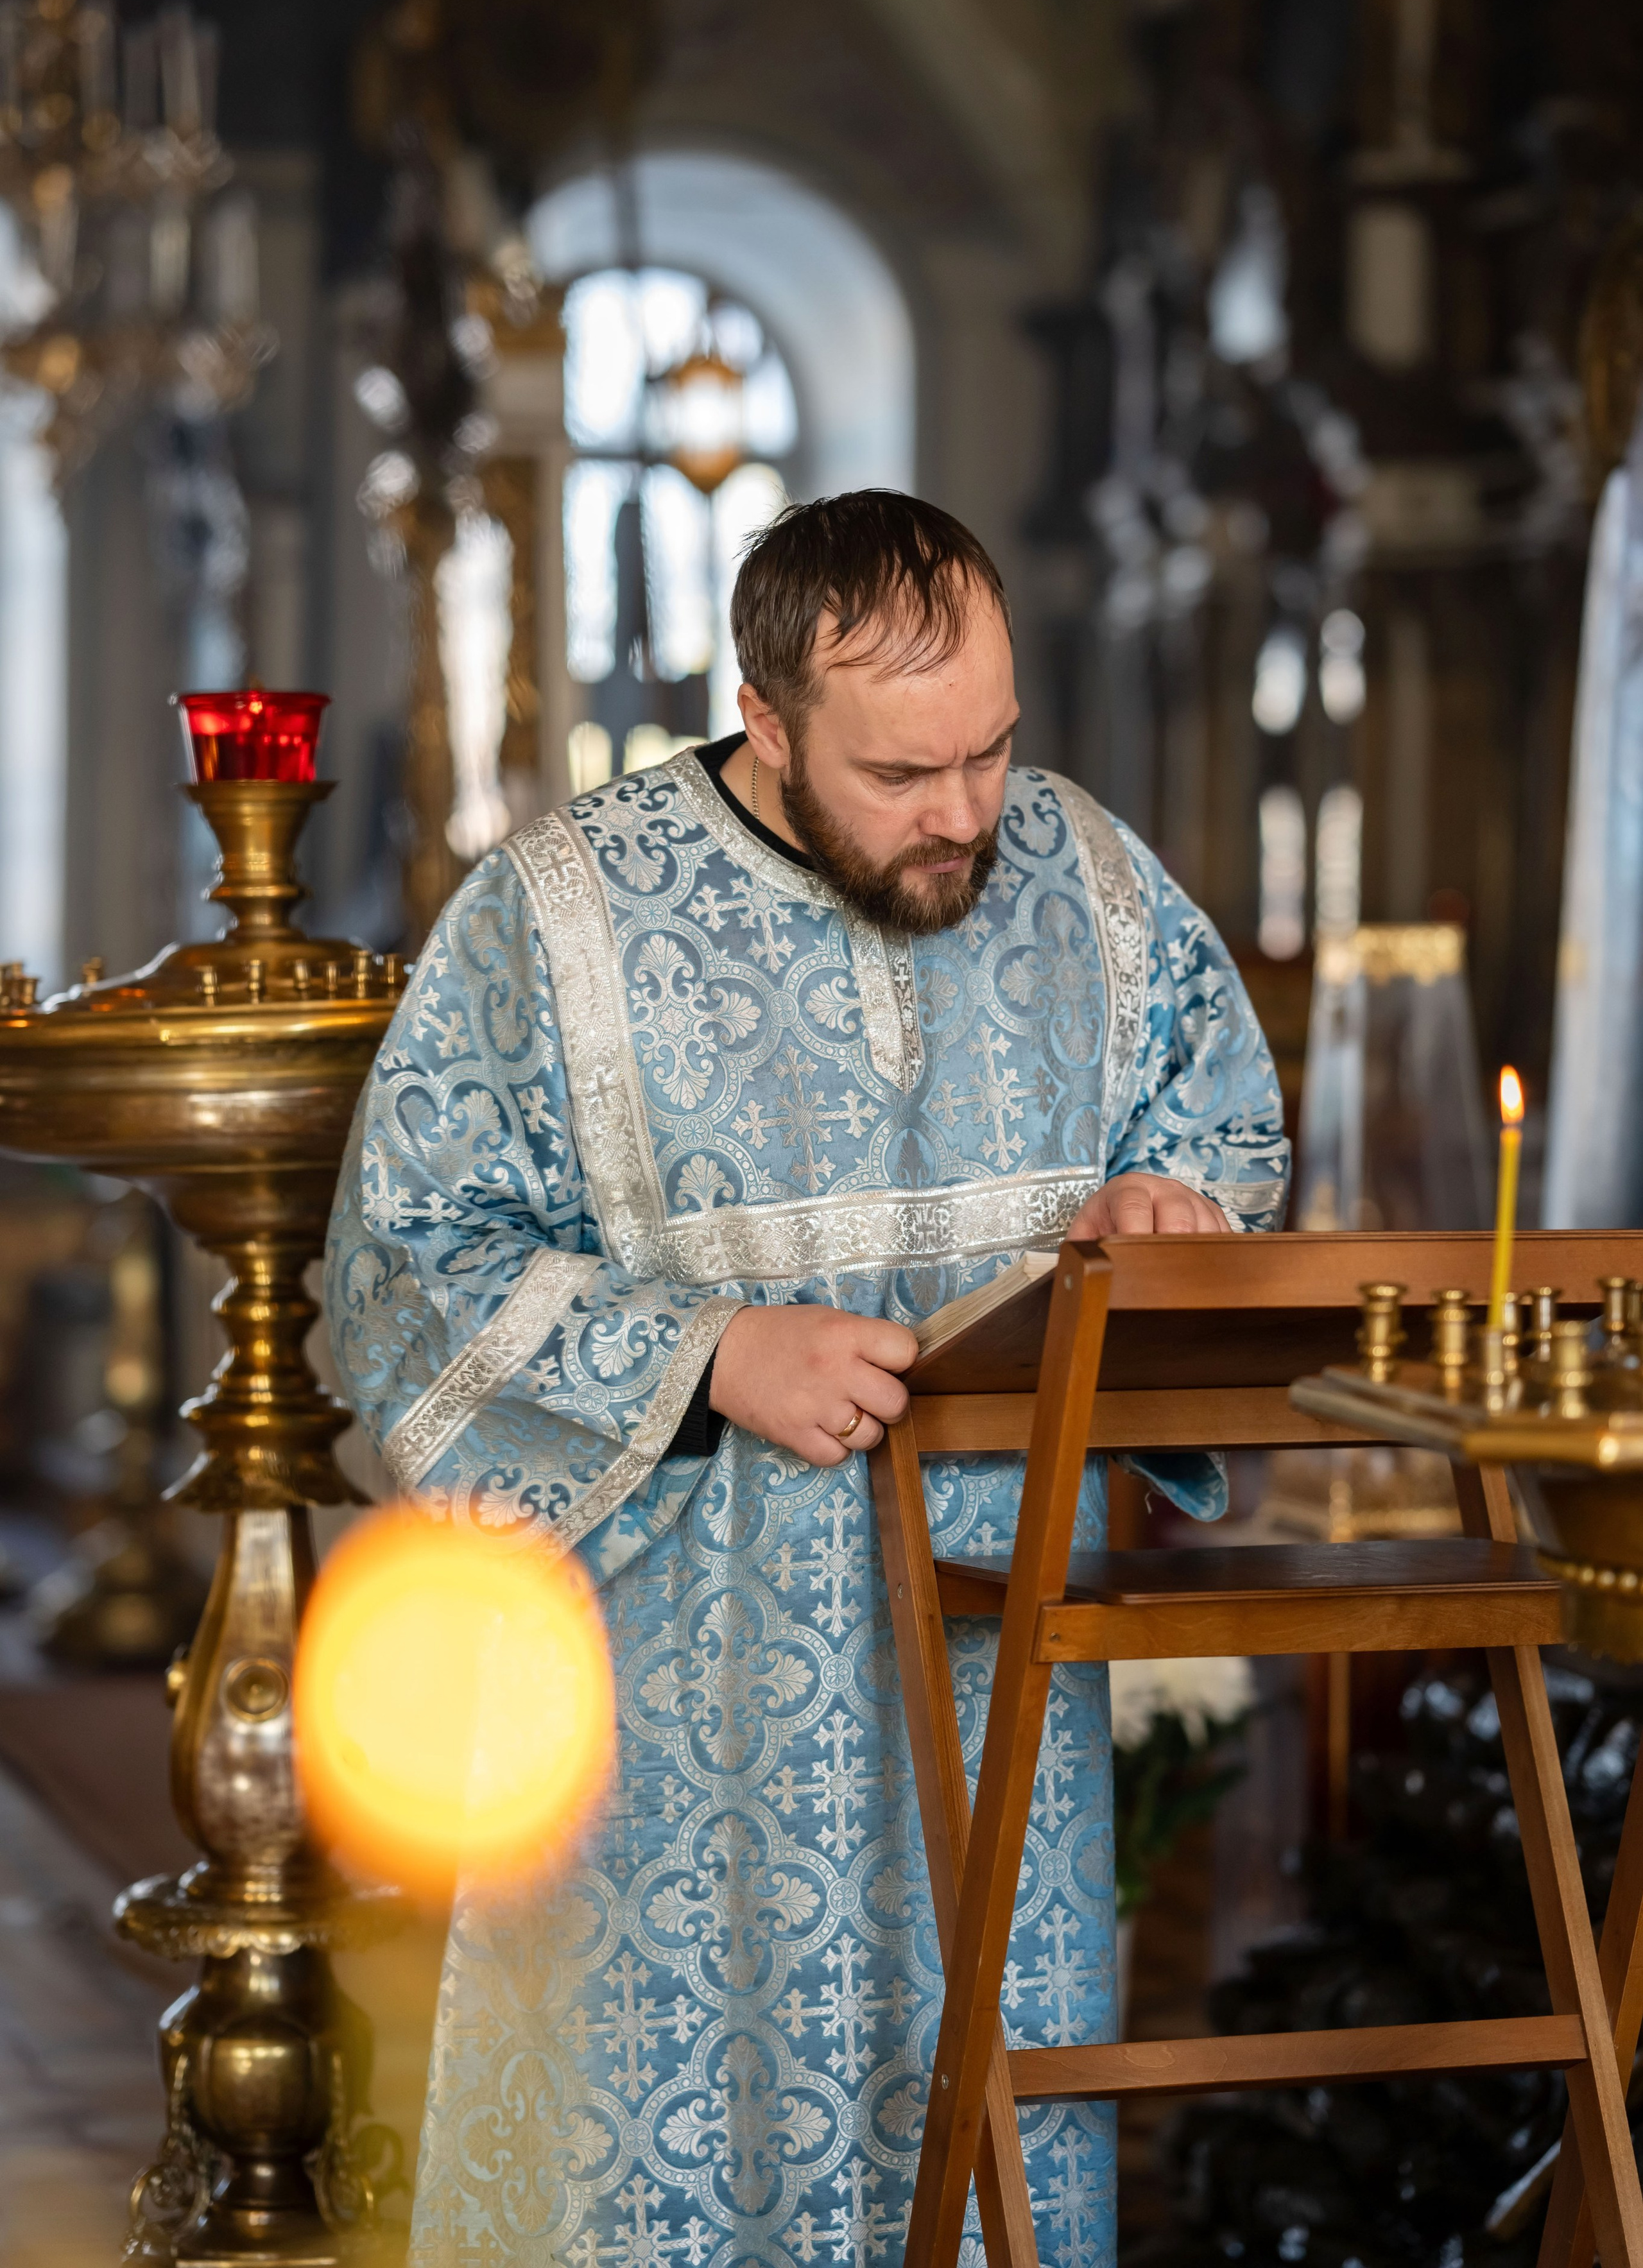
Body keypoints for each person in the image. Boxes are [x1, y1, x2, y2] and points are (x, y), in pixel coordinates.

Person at [325, 488, 1289, 2267]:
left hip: (997, 1709)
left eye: (994, 750)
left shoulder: (1084, 880)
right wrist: (707, 1354)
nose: (967, 816)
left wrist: (1185, 1209)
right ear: (767, 722)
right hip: (667, 1738)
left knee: (980, 2135)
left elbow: (1214, 1113)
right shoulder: (559, 916)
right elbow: (406, 1266)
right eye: (904, 776)